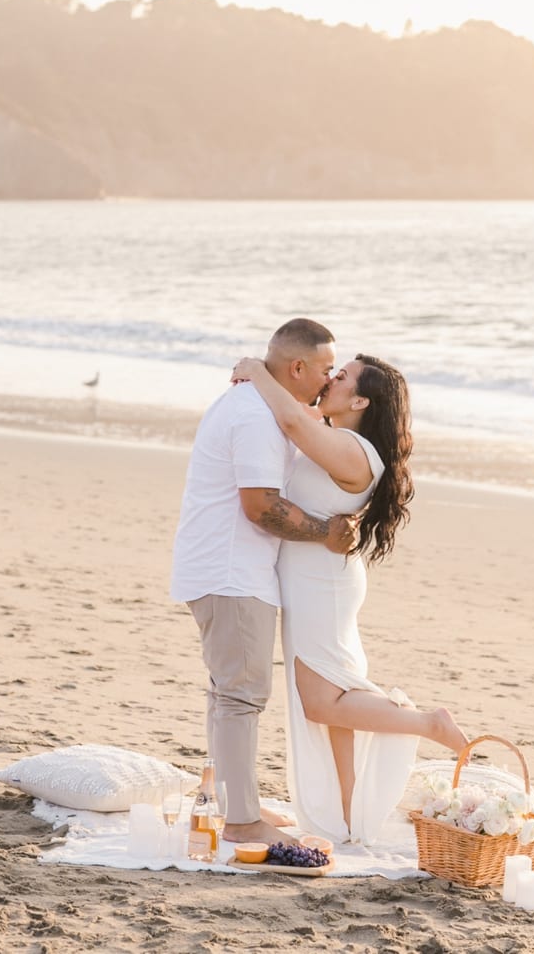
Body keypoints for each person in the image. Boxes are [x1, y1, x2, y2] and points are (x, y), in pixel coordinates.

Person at [231, 352, 469, 844]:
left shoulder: (353, 449)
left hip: (322, 585)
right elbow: (302, 422)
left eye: (340, 377)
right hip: (319, 579)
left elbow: (294, 421)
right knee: (336, 693)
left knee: (322, 703)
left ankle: (425, 722)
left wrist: (258, 371)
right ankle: (347, 816)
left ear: (360, 400)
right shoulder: (343, 439)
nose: (330, 379)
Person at [169, 318, 356, 845]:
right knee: (241, 697)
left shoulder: (266, 403)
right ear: (298, 368)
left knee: (228, 693)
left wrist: (255, 369)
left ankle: (229, 804)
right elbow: (260, 507)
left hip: (224, 570)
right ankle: (241, 821)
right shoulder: (255, 416)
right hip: (231, 573)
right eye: (325, 370)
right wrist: (327, 533)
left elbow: (307, 421)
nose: (331, 378)